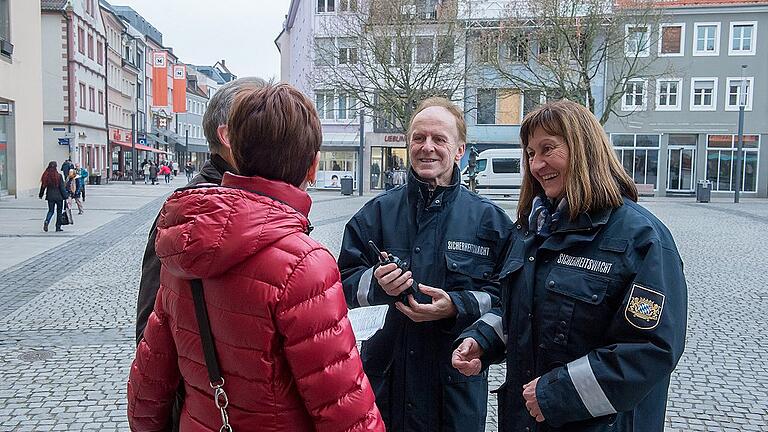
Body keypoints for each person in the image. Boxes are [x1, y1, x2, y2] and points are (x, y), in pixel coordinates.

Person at [127, 83, 384, 431]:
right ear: (312, 167)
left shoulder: (183, 246)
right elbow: (344, 408)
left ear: (237, 152)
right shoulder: (304, 264)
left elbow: (147, 390)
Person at [452, 100, 687, 432]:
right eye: (531, 153)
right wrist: (482, 339)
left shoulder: (642, 238)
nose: (536, 164)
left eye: (548, 148)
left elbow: (651, 349)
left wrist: (556, 394)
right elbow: (518, 310)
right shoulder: (534, 229)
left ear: (584, 149)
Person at [338, 97, 515, 432]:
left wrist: (456, 306)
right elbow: (339, 287)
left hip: (454, 397)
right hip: (385, 392)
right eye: (419, 138)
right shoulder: (375, 215)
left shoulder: (490, 222)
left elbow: (512, 299)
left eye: (439, 139)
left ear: (460, 150)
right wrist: (375, 283)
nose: (427, 148)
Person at [134, 77, 268, 431]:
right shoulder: (187, 211)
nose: (271, 129)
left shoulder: (262, 201)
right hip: (207, 411)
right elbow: (151, 331)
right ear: (227, 136)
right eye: (258, 120)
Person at [39, 161, 68, 232]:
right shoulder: (59, 176)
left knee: (51, 211)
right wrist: (66, 196)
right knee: (59, 212)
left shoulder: (46, 176)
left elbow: (43, 186)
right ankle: (58, 227)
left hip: (50, 196)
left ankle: (47, 221)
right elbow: (62, 188)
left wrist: (41, 194)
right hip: (59, 197)